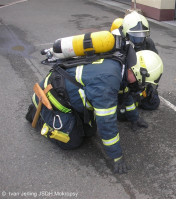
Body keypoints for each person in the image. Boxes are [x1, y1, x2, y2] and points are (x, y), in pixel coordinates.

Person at [26, 49, 163, 174]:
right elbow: (106, 123)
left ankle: (67, 118)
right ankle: (37, 116)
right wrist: (116, 156)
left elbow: (124, 95)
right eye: (143, 82)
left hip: (69, 97)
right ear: (140, 73)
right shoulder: (107, 81)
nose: (142, 86)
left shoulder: (122, 66)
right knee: (71, 142)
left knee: (90, 132)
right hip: (52, 98)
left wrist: (135, 118)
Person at [110, 12, 161, 123]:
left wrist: (150, 87)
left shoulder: (148, 43)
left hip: (141, 79)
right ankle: (130, 100)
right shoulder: (118, 45)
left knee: (153, 103)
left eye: (142, 34)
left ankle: (137, 98)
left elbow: (154, 64)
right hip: (127, 81)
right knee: (122, 116)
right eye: (136, 35)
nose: (139, 39)